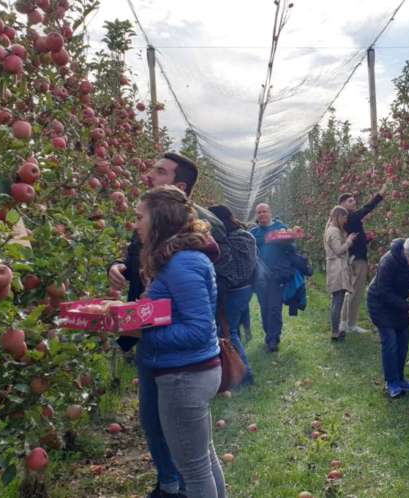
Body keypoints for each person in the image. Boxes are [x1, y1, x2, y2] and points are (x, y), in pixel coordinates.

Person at [106, 152, 225, 498]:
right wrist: (137, 314)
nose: (136, 224)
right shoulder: (174, 259)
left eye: (140, 217)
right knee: (203, 459)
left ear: (158, 220)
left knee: (194, 468)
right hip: (184, 371)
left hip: (184, 375)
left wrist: (141, 329)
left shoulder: (182, 264)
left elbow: (198, 330)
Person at [366, 235, 409, 398]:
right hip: (380, 304)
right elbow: (383, 291)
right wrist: (407, 306)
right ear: (406, 254)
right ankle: (391, 382)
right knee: (390, 342)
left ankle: (400, 378)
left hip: (399, 302)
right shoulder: (388, 262)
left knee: (403, 341)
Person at [207, 205, 257, 386]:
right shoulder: (247, 236)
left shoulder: (225, 242)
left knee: (230, 331)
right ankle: (228, 372)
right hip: (246, 288)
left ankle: (244, 374)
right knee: (227, 329)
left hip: (231, 290)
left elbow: (225, 268)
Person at [339, 183, 388, 334]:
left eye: (354, 200)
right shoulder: (351, 216)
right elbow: (367, 208)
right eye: (350, 201)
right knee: (355, 291)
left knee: (351, 290)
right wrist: (380, 194)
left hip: (352, 257)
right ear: (342, 205)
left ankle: (346, 322)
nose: (354, 202)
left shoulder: (345, 220)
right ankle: (348, 323)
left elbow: (355, 238)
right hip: (358, 259)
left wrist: (366, 239)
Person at [249, 203, 297, 352]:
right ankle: (269, 334)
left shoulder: (280, 228)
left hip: (277, 275)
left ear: (270, 213)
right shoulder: (253, 233)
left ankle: (273, 338)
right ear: (257, 216)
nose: (262, 215)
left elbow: (292, 247)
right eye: (259, 213)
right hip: (260, 277)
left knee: (275, 307)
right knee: (265, 307)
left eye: (264, 212)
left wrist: (286, 240)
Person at [324, 206, 357, 341]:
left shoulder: (330, 229)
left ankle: (335, 331)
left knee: (336, 301)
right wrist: (349, 241)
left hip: (334, 267)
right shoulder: (334, 231)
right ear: (339, 216)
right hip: (337, 269)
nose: (345, 221)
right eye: (344, 218)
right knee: (338, 301)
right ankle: (335, 332)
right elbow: (338, 250)